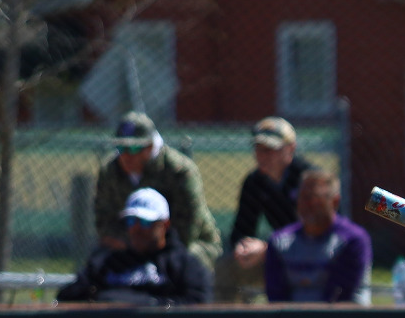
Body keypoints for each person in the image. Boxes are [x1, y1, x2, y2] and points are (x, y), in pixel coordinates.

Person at [93, 112, 221, 271]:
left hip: (185, 245)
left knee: (182, 264)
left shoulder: (179, 170)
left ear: (150, 147)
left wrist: (153, 249)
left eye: (133, 148)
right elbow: (104, 220)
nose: (125, 155)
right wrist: (131, 244)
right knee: (100, 262)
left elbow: (187, 227)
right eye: (120, 147)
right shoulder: (110, 171)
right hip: (130, 245)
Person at [58, 188, 213, 306]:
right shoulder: (107, 262)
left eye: (145, 222)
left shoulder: (184, 265)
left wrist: (149, 305)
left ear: (164, 225)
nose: (136, 229)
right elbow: (67, 298)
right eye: (131, 221)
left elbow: (197, 304)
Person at [220, 117, 315, 298]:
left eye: (270, 149)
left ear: (291, 149)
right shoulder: (254, 182)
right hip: (276, 255)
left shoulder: (309, 180)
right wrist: (243, 248)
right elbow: (241, 230)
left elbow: (316, 235)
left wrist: (267, 248)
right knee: (225, 268)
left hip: (311, 257)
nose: (262, 155)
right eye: (258, 148)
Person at [263, 169, 372, 304]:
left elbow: (339, 295)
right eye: (302, 197)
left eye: (314, 199)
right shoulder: (279, 242)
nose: (306, 205)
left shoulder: (352, 240)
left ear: (335, 201)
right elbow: (276, 296)